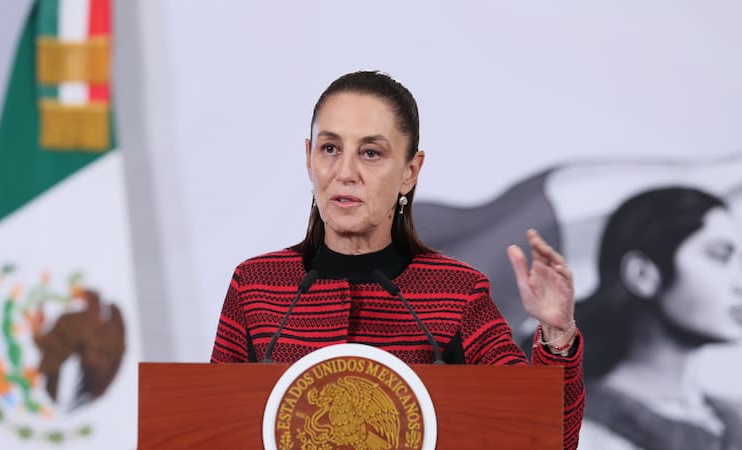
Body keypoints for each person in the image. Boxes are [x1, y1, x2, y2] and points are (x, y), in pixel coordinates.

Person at [210, 71, 584, 448]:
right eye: (330, 149)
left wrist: (557, 337)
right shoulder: (256, 285)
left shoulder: (456, 293)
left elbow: (544, 439)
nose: (345, 173)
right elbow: (208, 428)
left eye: (370, 153)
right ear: (308, 159)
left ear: (410, 171)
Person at [576, 187, 742, 449]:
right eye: (720, 256)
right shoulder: (577, 430)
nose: (738, 282)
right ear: (642, 274)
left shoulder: (731, 420)